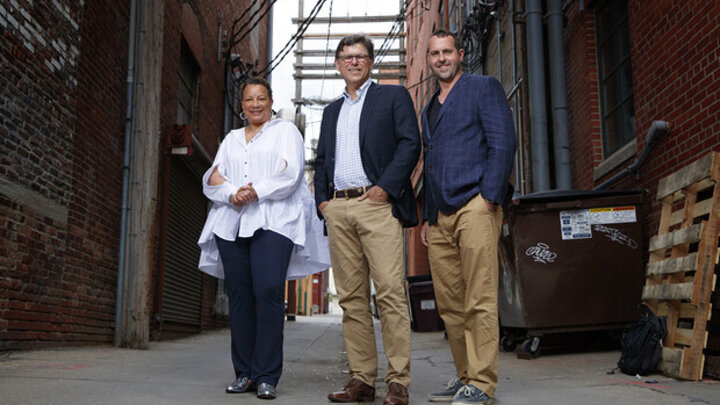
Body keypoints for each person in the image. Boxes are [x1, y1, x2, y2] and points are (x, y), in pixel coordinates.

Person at [197, 77, 330, 400]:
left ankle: (267, 375)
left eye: (261, 98)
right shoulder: (231, 138)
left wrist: (254, 191)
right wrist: (232, 193)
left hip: (275, 220)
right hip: (232, 222)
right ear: (241, 106)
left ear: (270, 102)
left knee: (268, 290)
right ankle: (244, 373)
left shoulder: (286, 131)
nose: (255, 104)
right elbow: (212, 177)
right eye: (248, 99)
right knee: (240, 296)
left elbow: (290, 172)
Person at [314, 35, 421, 405]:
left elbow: (410, 143)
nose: (354, 62)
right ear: (337, 64)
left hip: (376, 205)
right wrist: (323, 204)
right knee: (351, 299)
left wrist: (384, 188)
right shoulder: (331, 111)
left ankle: (398, 381)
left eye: (361, 56)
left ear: (371, 62)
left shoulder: (392, 97)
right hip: (339, 209)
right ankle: (361, 380)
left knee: (390, 292)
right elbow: (322, 161)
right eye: (347, 57)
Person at [419, 30, 517, 405]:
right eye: (434, 54)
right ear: (429, 60)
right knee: (450, 303)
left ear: (460, 54)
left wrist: (489, 197)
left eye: (447, 52)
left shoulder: (483, 87)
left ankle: (482, 382)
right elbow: (430, 165)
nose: (441, 58)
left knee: (479, 297)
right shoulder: (429, 107)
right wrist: (428, 216)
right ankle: (465, 377)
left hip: (476, 205)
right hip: (440, 215)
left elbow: (503, 141)